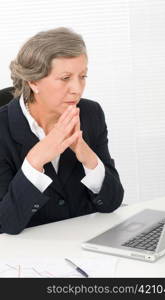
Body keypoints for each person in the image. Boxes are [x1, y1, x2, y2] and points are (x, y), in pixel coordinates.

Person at [0, 27, 124, 235]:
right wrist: (35, 160)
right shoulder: (3, 129)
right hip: (31, 254)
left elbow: (111, 202)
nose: (77, 88)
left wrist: (88, 157)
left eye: (82, 76)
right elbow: (6, 223)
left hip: (87, 243)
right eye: (65, 78)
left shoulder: (90, 113)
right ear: (33, 81)